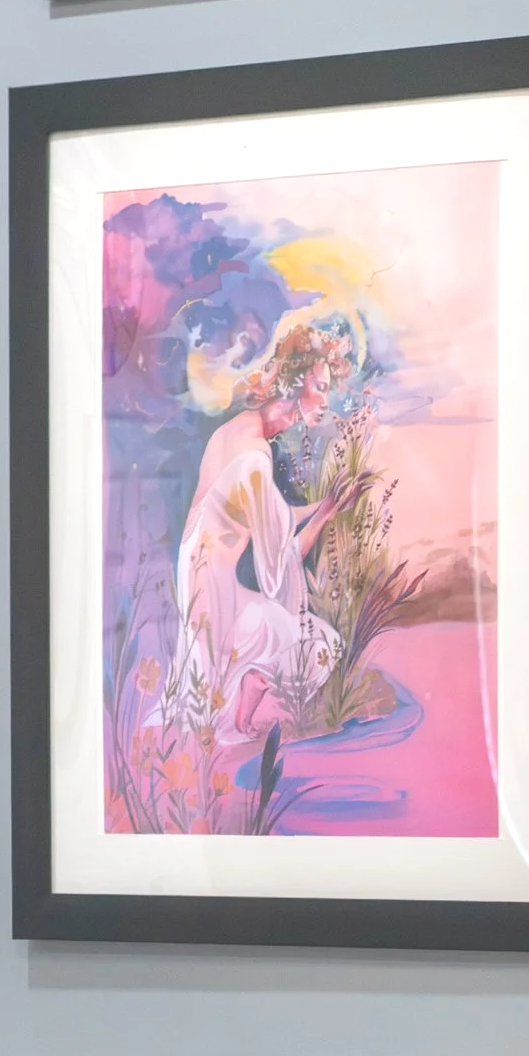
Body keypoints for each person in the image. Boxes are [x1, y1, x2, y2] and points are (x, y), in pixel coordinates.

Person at [164, 307, 358, 748]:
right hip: (212, 587)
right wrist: (326, 512)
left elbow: (270, 515)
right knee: (302, 637)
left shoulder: (238, 432)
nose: (325, 401)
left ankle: (234, 713)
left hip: (199, 569)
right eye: (321, 387)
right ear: (296, 384)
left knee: (260, 640)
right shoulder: (255, 454)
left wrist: (322, 506)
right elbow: (281, 556)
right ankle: (237, 720)